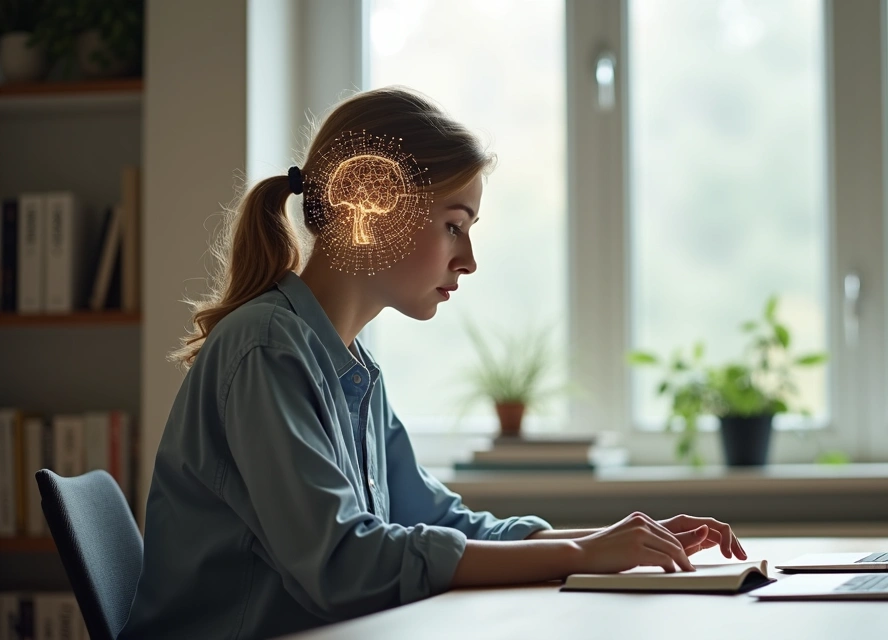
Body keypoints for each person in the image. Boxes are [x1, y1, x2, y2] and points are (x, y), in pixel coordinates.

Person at [119, 86, 747, 640]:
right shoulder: (265, 349)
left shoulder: (351, 367)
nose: (468, 259)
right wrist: (579, 555)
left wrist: (614, 542)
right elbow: (343, 565)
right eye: (453, 225)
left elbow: (436, 519)